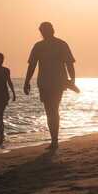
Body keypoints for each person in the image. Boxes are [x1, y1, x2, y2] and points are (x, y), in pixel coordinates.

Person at [24, 22, 77, 150]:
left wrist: (72, 80)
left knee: (51, 110)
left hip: (52, 82)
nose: (46, 32)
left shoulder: (54, 45)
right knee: (52, 110)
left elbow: (69, 64)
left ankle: (54, 140)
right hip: (50, 82)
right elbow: (32, 65)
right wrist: (72, 80)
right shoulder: (51, 45)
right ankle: (54, 140)